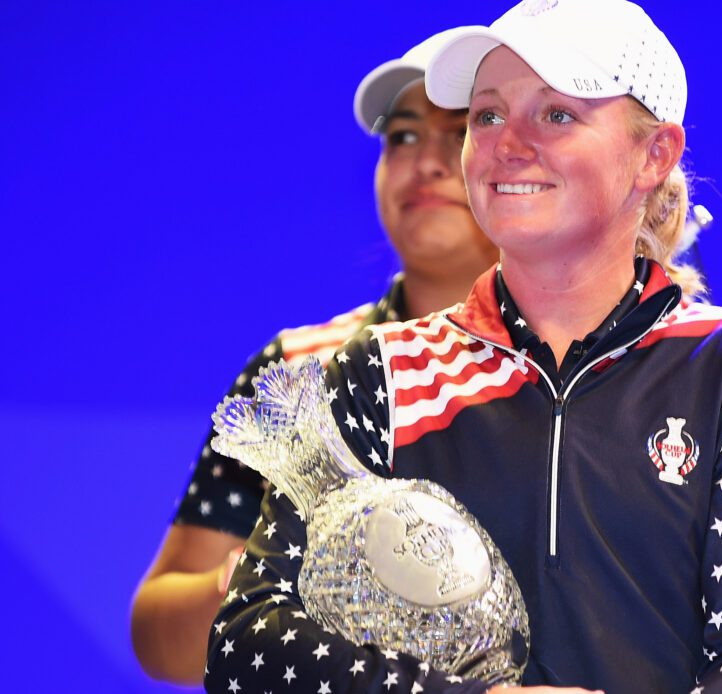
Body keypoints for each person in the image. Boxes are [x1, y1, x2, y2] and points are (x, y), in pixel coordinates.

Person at [203, 1, 722, 692]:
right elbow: (244, 645)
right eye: (487, 116)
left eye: (557, 114)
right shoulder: (375, 371)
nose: (508, 142)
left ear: (655, 154)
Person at [129, 28, 499, 685]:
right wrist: (258, 584)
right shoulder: (299, 367)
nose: (426, 163)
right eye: (403, 136)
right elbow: (157, 637)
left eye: (462, 131)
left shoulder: (579, 364)